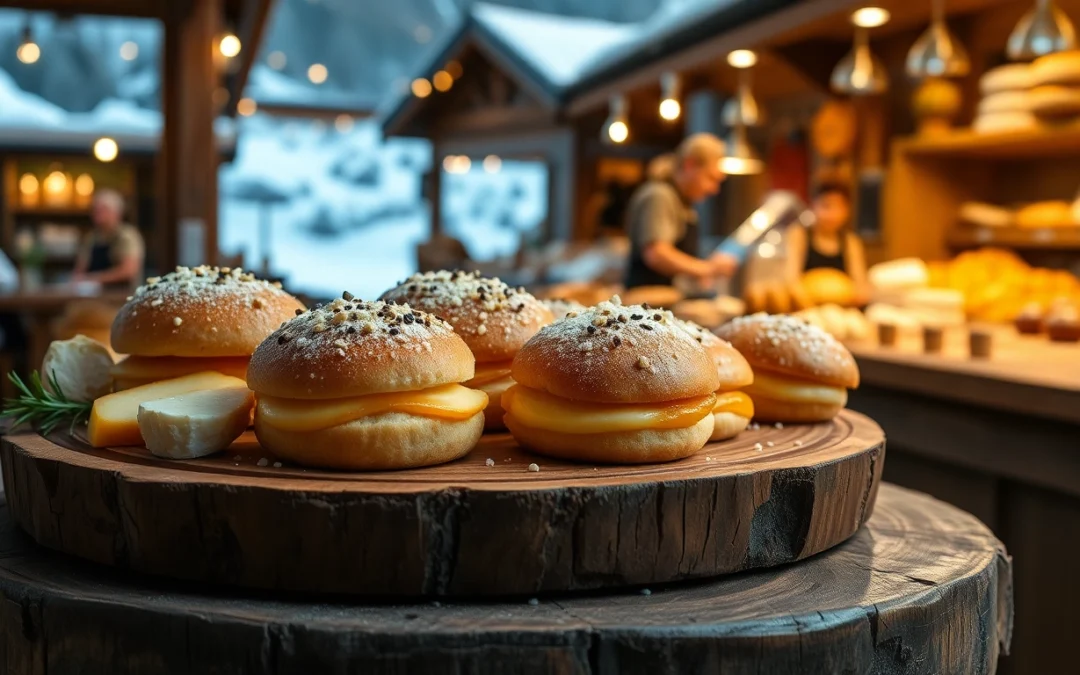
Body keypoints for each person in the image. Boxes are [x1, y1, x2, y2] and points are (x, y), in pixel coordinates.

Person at [624, 133, 738, 289]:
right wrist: (707, 269)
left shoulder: (683, 202)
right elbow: (656, 254)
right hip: (646, 305)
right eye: (711, 178)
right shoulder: (660, 195)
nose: (714, 190)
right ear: (689, 165)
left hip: (664, 301)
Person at [784, 182, 870, 304]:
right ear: (813, 206)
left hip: (844, 308)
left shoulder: (851, 241)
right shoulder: (799, 235)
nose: (832, 215)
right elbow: (790, 280)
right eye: (826, 206)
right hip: (805, 306)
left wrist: (854, 296)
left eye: (839, 207)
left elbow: (861, 287)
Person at [72, 189, 144, 291]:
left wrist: (94, 279)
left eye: (103, 209)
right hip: (92, 296)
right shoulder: (91, 238)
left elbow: (129, 271)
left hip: (121, 297)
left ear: (117, 212)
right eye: (95, 209)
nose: (97, 213)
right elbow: (80, 271)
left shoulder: (126, 236)